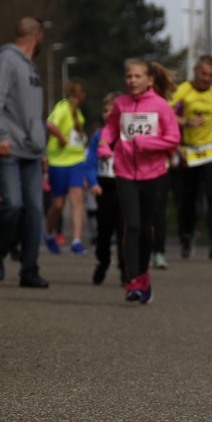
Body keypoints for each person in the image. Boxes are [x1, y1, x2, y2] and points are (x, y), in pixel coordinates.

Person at [101, 59, 180, 305]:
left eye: (137, 76)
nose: (132, 81)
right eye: (129, 76)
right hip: (125, 172)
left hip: (153, 174)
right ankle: (132, 279)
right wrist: (104, 146)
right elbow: (110, 129)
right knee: (132, 225)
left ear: (149, 80)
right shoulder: (120, 103)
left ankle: (144, 274)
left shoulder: (161, 106)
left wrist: (146, 143)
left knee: (146, 229)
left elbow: (173, 138)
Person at [0, 16, 51, 289]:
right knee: (12, 205)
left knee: (34, 211)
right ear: (39, 36)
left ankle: (29, 269)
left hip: (32, 150)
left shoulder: (30, 66)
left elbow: (34, 114)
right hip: (8, 147)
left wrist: (43, 149)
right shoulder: (6, 60)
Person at [172, 54, 212, 260]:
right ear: (195, 72)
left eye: (210, 75)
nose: (206, 78)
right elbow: (167, 115)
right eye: (203, 74)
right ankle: (186, 236)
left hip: (210, 150)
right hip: (188, 151)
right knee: (189, 199)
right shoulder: (183, 91)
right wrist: (186, 123)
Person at [44, 79, 90, 256]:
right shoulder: (62, 107)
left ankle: (77, 241)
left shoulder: (78, 112)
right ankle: (48, 233)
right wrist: (61, 138)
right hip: (59, 162)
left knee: (78, 200)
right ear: (80, 94)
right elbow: (50, 123)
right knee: (58, 205)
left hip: (76, 160)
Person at [86, 93, 123, 286]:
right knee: (104, 232)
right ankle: (103, 261)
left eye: (112, 110)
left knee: (124, 231)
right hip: (104, 189)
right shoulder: (98, 136)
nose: (108, 114)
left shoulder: (126, 134)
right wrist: (93, 183)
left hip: (124, 188)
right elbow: (91, 162)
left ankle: (126, 269)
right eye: (105, 110)